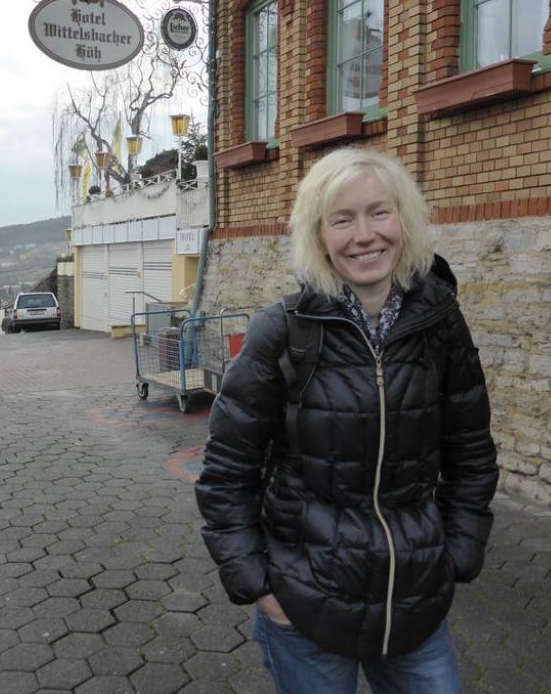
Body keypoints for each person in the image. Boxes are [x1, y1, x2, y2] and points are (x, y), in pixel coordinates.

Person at [195, 148, 498, 694]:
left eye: (379, 212)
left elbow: (471, 451)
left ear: (404, 219)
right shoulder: (282, 331)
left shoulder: (440, 324)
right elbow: (226, 473)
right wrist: (258, 585)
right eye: (342, 219)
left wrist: (457, 554)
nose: (364, 235)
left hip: (413, 600)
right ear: (318, 235)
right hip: (304, 603)